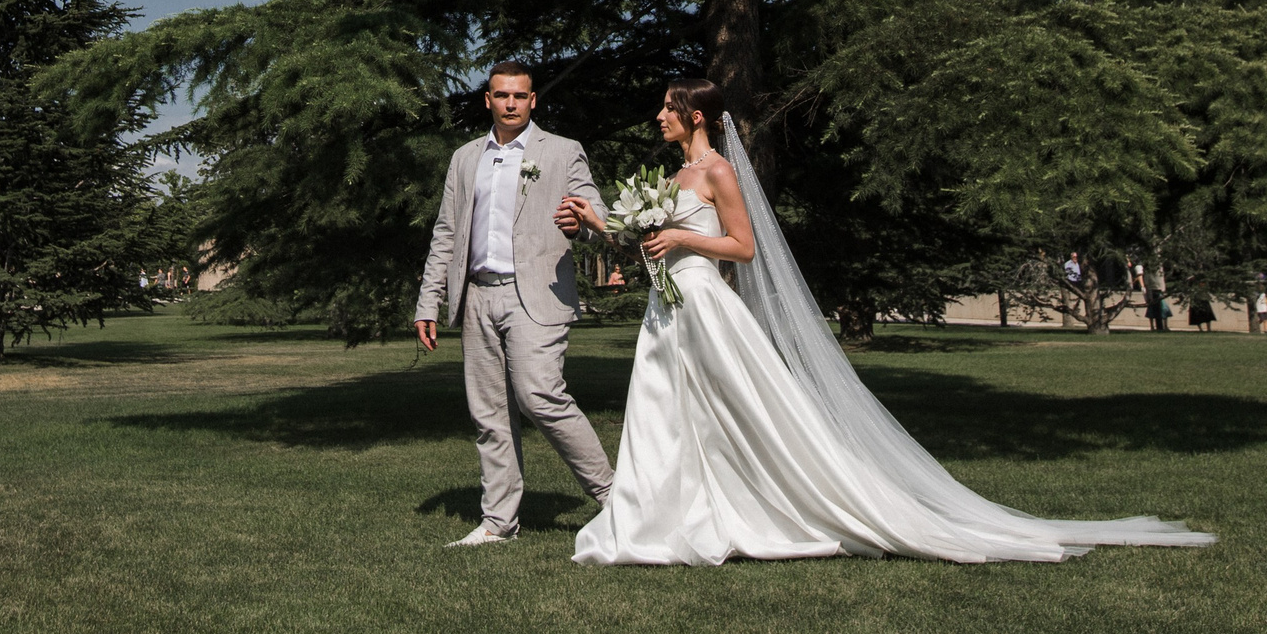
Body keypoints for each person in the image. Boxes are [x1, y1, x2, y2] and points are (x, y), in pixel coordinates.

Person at [559, 79, 1215, 566]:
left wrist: (684, 244)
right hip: (668, 310)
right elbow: (644, 235)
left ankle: (778, 504)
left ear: (694, 115)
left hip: (705, 307)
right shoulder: (674, 174)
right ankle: (664, 515)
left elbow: (744, 247)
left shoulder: (719, 171)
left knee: (747, 413)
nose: (659, 116)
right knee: (668, 416)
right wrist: (599, 223)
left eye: (668, 109)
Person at [413, 60, 615, 548]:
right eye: (501, 95)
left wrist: (581, 224)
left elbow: (597, 214)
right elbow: (446, 232)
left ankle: (617, 499)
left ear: (533, 101)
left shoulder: (563, 152)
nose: (510, 103)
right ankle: (498, 523)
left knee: (540, 395)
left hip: (537, 295)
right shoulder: (464, 158)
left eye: (519, 96)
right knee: (489, 414)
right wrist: (429, 302)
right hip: (478, 295)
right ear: (488, 100)